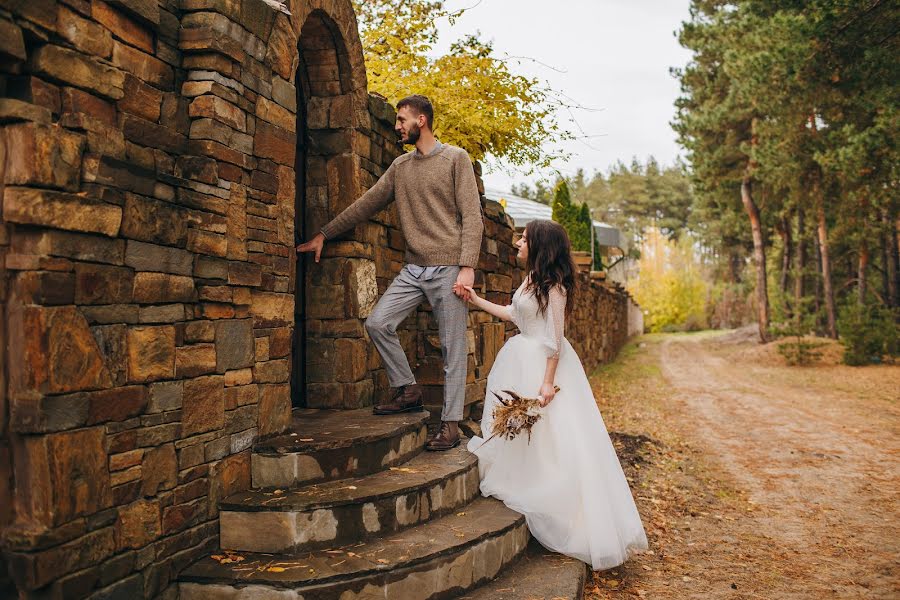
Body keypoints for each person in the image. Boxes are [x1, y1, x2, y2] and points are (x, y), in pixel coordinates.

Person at [296, 94, 483, 451]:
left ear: (421, 121)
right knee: (378, 322)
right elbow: (365, 204)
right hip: (414, 269)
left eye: (401, 120)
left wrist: (467, 268)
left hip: (449, 269)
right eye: (397, 120)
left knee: (452, 349)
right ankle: (408, 389)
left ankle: (450, 424)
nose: (397, 126)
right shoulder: (401, 167)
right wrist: (324, 234)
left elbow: (472, 217)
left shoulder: (456, 159)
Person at [463, 219, 648, 570]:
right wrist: (476, 300)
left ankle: (562, 505)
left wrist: (547, 383)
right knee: (525, 430)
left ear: (540, 245)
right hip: (520, 356)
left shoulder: (555, 287)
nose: (518, 242)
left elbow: (554, 339)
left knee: (554, 435)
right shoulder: (531, 280)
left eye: (524, 238)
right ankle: (524, 476)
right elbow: (514, 315)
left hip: (544, 365)